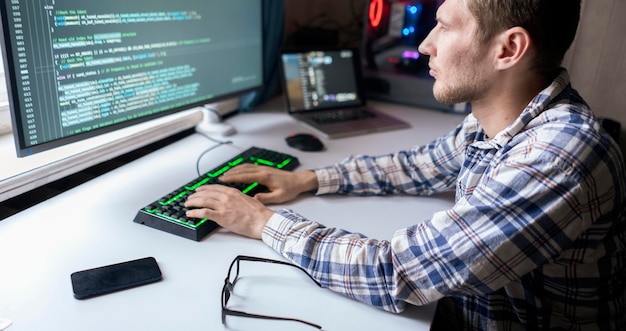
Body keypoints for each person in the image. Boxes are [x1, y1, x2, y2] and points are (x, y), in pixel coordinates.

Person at [185, 0, 626, 329]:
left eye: (444, 27)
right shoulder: (500, 118)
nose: (424, 44)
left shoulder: (559, 155)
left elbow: (394, 273)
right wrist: (310, 178)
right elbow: (419, 165)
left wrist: (263, 223)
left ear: (508, 49)